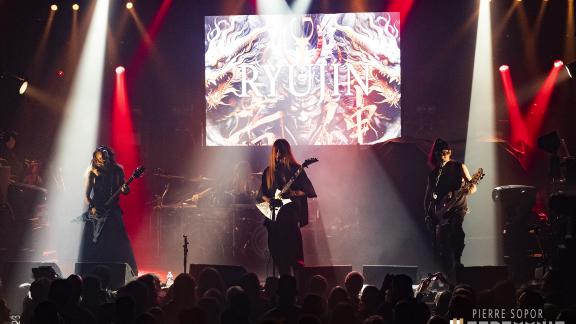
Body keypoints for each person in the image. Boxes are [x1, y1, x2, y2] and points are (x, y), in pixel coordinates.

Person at [259, 139, 317, 276]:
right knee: (278, 257)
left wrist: (294, 193)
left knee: (294, 255)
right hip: (275, 220)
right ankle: (283, 283)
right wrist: (270, 201)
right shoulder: (268, 171)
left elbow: (309, 191)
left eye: (281, 150)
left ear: (287, 152)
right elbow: (261, 195)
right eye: (276, 150)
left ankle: (296, 286)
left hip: (290, 217)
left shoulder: (296, 169)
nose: (278, 153)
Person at [79, 146, 138, 275]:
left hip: (112, 209)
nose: (102, 161)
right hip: (97, 210)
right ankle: (90, 271)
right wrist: (93, 208)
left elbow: (124, 188)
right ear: (95, 159)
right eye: (99, 159)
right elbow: (86, 196)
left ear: (108, 157)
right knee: (94, 241)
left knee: (119, 240)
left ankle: (125, 270)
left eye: (103, 158)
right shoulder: (92, 172)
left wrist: (125, 190)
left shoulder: (118, 170)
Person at [424, 138, 476, 276]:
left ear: (449, 152)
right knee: (443, 246)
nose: (441, 156)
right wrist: (428, 214)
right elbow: (429, 196)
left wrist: (468, 190)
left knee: (456, 231)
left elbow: (473, 186)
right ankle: (446, 275)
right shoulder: (434, 174)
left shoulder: (459, 167)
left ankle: (458, 264)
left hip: (458, 209)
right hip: (441, 213)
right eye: (438, 153)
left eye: (444, 153)